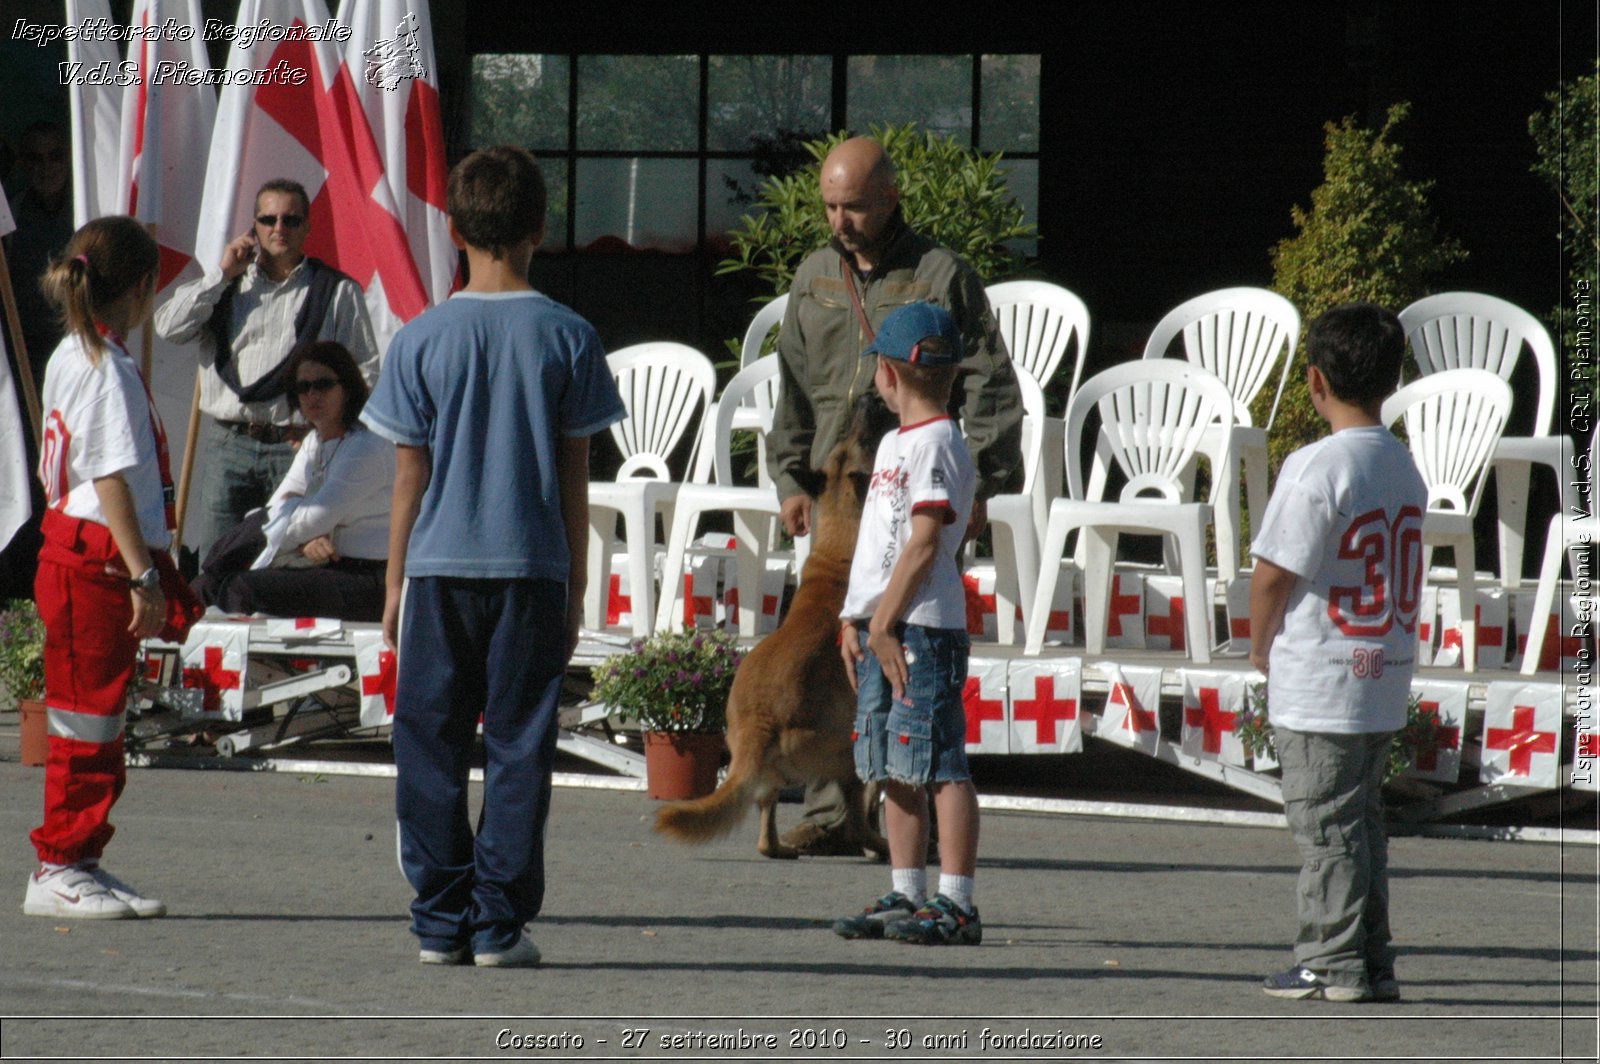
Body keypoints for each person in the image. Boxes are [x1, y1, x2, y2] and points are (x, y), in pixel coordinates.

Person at [361, 146, 625, 968]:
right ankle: (498, 923)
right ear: (540, 230)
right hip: (532, 569)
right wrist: (581, 579)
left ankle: (439, 919)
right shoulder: (571, 335)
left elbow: (410, 476)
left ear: (452, 229)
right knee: (519, 744)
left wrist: (394, 582)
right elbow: (577, 472)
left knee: (428, 742)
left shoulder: (420, 338)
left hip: (438, 570)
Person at [769, 135, 1023, 857]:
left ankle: (896, 807)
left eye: (852, 206)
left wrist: (982, 484)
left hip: (913, 491)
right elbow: (789, 381)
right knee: (827, 642)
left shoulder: (942, 274)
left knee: (901, 642)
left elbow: (992, 385)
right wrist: (790, 476)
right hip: (836, 497)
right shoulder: (815, 275)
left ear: (890, 200)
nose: (838, 221)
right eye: (829, 206)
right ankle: (830, 812)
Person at [1249, 302, 1427, 1003]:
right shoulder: (1403, 464)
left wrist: (1259, 643)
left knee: (1326, 829)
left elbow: (1273, 571)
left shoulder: (1316, 464)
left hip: (1322, 675)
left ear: (1315, 381)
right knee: (1363, 825)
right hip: (1381, 673)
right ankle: (1372, 958)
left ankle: (1331, 960)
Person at [24, 217, 199, 920]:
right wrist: (143, 574)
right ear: (143, 287)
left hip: (80, 550)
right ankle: (58, 865)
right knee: (83, 723)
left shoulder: (78, 351)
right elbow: (109, 480)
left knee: (99, 719)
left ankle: (80, 858)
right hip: (93, 557)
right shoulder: (105, 365)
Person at [832, 302, 982, 945]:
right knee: (894, 757)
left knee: (940, 759)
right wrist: (854, 615)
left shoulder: (941, 443)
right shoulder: (895, 442)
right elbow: (877, 540)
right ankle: (907, 889)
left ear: (889, 375)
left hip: (921, 626)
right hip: (885, 624)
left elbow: (924, 542)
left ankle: (957, 901)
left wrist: (885, 622)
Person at [154, 178, 378, 561]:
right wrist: (221, 275)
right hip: (229, 444)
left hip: (298, 445)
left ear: (308, 227)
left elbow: (365, 373)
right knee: (218, 562)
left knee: (291, 563)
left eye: (291, 220)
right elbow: (167, 327)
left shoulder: (337, 291)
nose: (279, 228)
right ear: (253, 227)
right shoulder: (225, 285)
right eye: (268, 219)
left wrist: (325, 432)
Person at [190, 341, 394, 622]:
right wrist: (302, 541)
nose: (312, 395)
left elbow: (311, 517)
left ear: (346, 388)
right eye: (303, 387)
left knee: (242, 588)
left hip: (371, 579)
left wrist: (304, 523)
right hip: (332, 568)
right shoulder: (314, 443)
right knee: (205, 585)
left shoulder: (365, 446)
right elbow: (276, 510)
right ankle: (183, 659)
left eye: (322, 385)